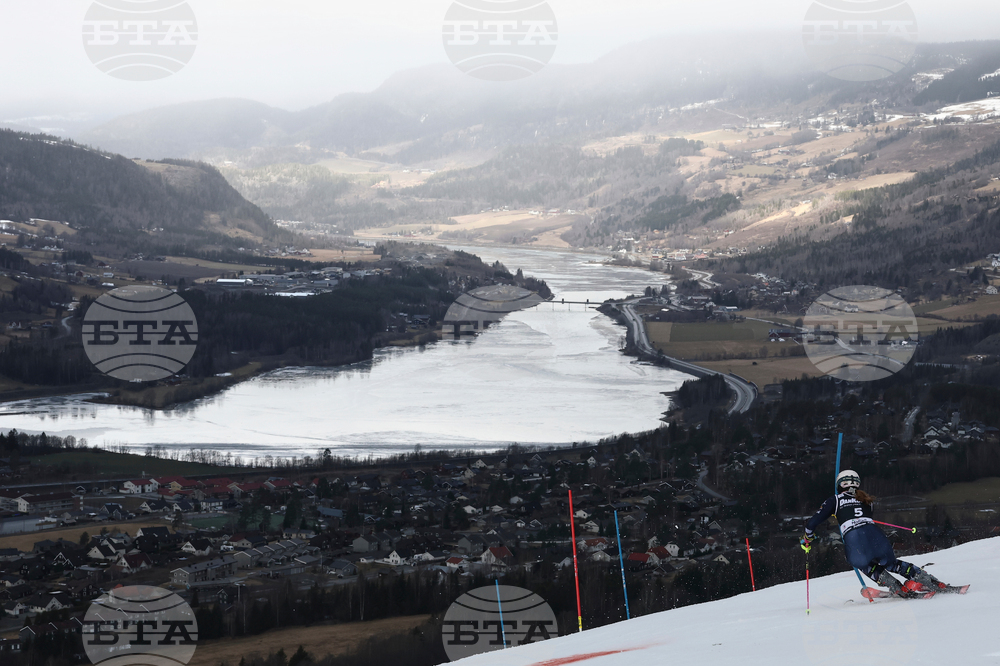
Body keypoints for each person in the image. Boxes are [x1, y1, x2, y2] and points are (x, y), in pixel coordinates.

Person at [801, 469, 946, 595]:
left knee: (864, 564)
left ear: (840, 484)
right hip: (875, 534)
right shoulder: (867, 500)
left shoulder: (835, 499)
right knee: (891, 563)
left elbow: (812, 523)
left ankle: (896, 587)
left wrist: (807, 538)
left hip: (854, 537)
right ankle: (930, 580)